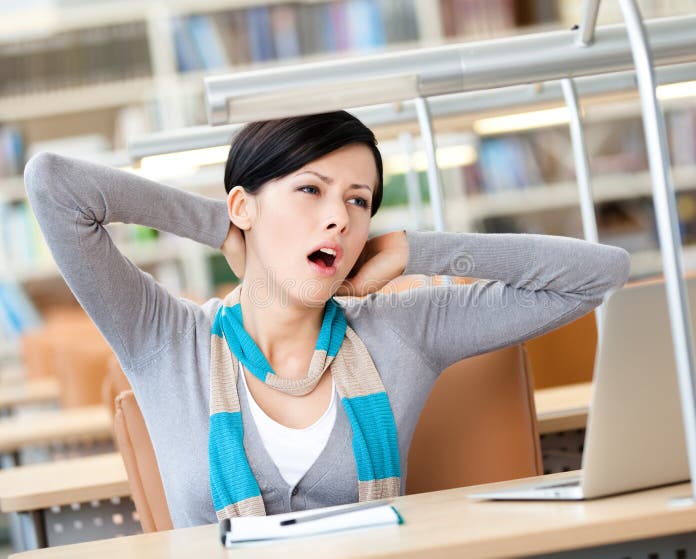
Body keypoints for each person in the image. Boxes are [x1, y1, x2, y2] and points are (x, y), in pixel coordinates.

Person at [23, 111, 630, 528]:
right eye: (311, 190)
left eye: (358, 200)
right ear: (245, 205)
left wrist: (416, 251)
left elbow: (597, 275)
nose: (338, 217)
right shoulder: (163, 337)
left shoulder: (401, 331)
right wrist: (222, 227)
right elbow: (53, 185)